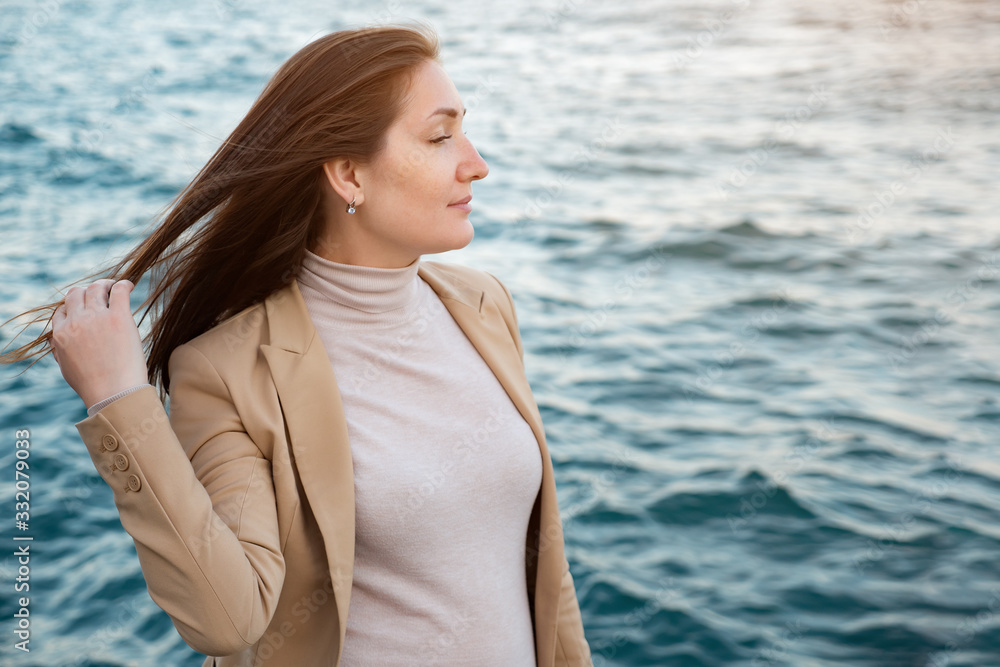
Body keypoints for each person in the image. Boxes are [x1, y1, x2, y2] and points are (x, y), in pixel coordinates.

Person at [0, 22, 593, 667]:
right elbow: (228, 618)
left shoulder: (483, 306)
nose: (476, 163)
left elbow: (543, 576)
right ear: (347, 175)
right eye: (441, 136)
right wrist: (120, 399)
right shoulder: (229, 369)